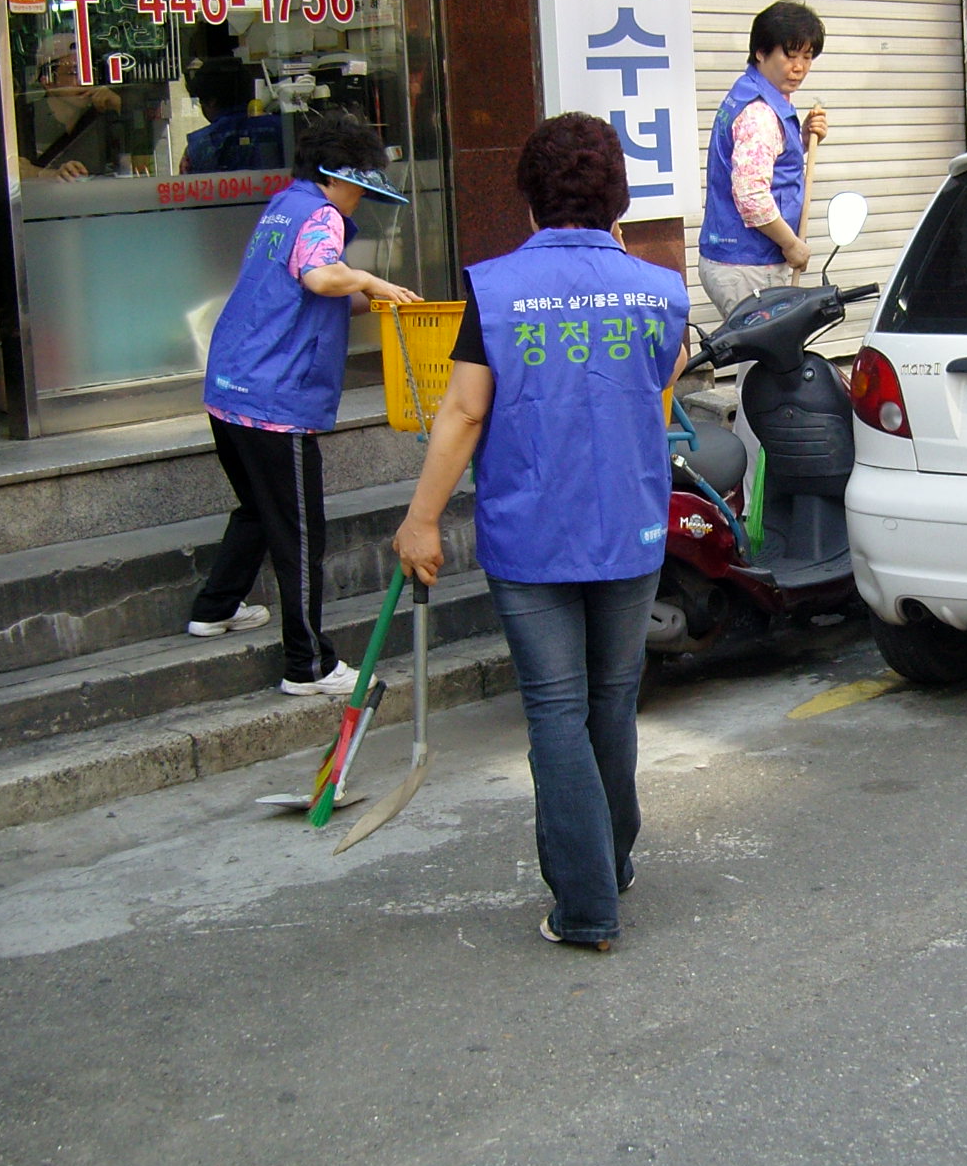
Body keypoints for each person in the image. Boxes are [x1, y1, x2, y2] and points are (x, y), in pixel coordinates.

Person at [393, 114, 689, 951]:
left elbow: (463, 410)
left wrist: (421, 519)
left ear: (528, 200)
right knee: (613, 701)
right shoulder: (659, 288)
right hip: (628, 526)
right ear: (617, 201)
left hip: (532, 534)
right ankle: (612, 861)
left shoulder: (494, 289)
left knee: (557, 713)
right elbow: (663, 372)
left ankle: (588, 904)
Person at [187, 114, 422, 695]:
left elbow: (296, 294)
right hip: (275, 401)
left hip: (230, 389)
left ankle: (215, 607)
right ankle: (308, 665)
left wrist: (379, 301)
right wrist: (368, 279)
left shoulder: (283, 207)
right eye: (361, 184)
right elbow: (319, 279)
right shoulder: (323, 216)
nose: (362, 197)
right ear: (341, 175)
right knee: (300, 536)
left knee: (259, 510)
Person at [698, 0, 830, 319]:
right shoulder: (760, 114)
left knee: (757, 361)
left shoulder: (753, 93)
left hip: (735, 260)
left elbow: (757, 161)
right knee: (768, 362)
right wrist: (792, 245)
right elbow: (752, 197)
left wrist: (800, 142)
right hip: (748, 266)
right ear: (761, 52)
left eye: (807, 57)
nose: (798, 67)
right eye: (789, 54)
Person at [17, 30, 123, 182]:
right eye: (74, 72)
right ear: (47, 80)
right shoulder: (25, 119)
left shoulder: (100, 115)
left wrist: (120, 105)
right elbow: (16, 169)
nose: (84, 81)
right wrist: (51, 175)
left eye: (89, 73)